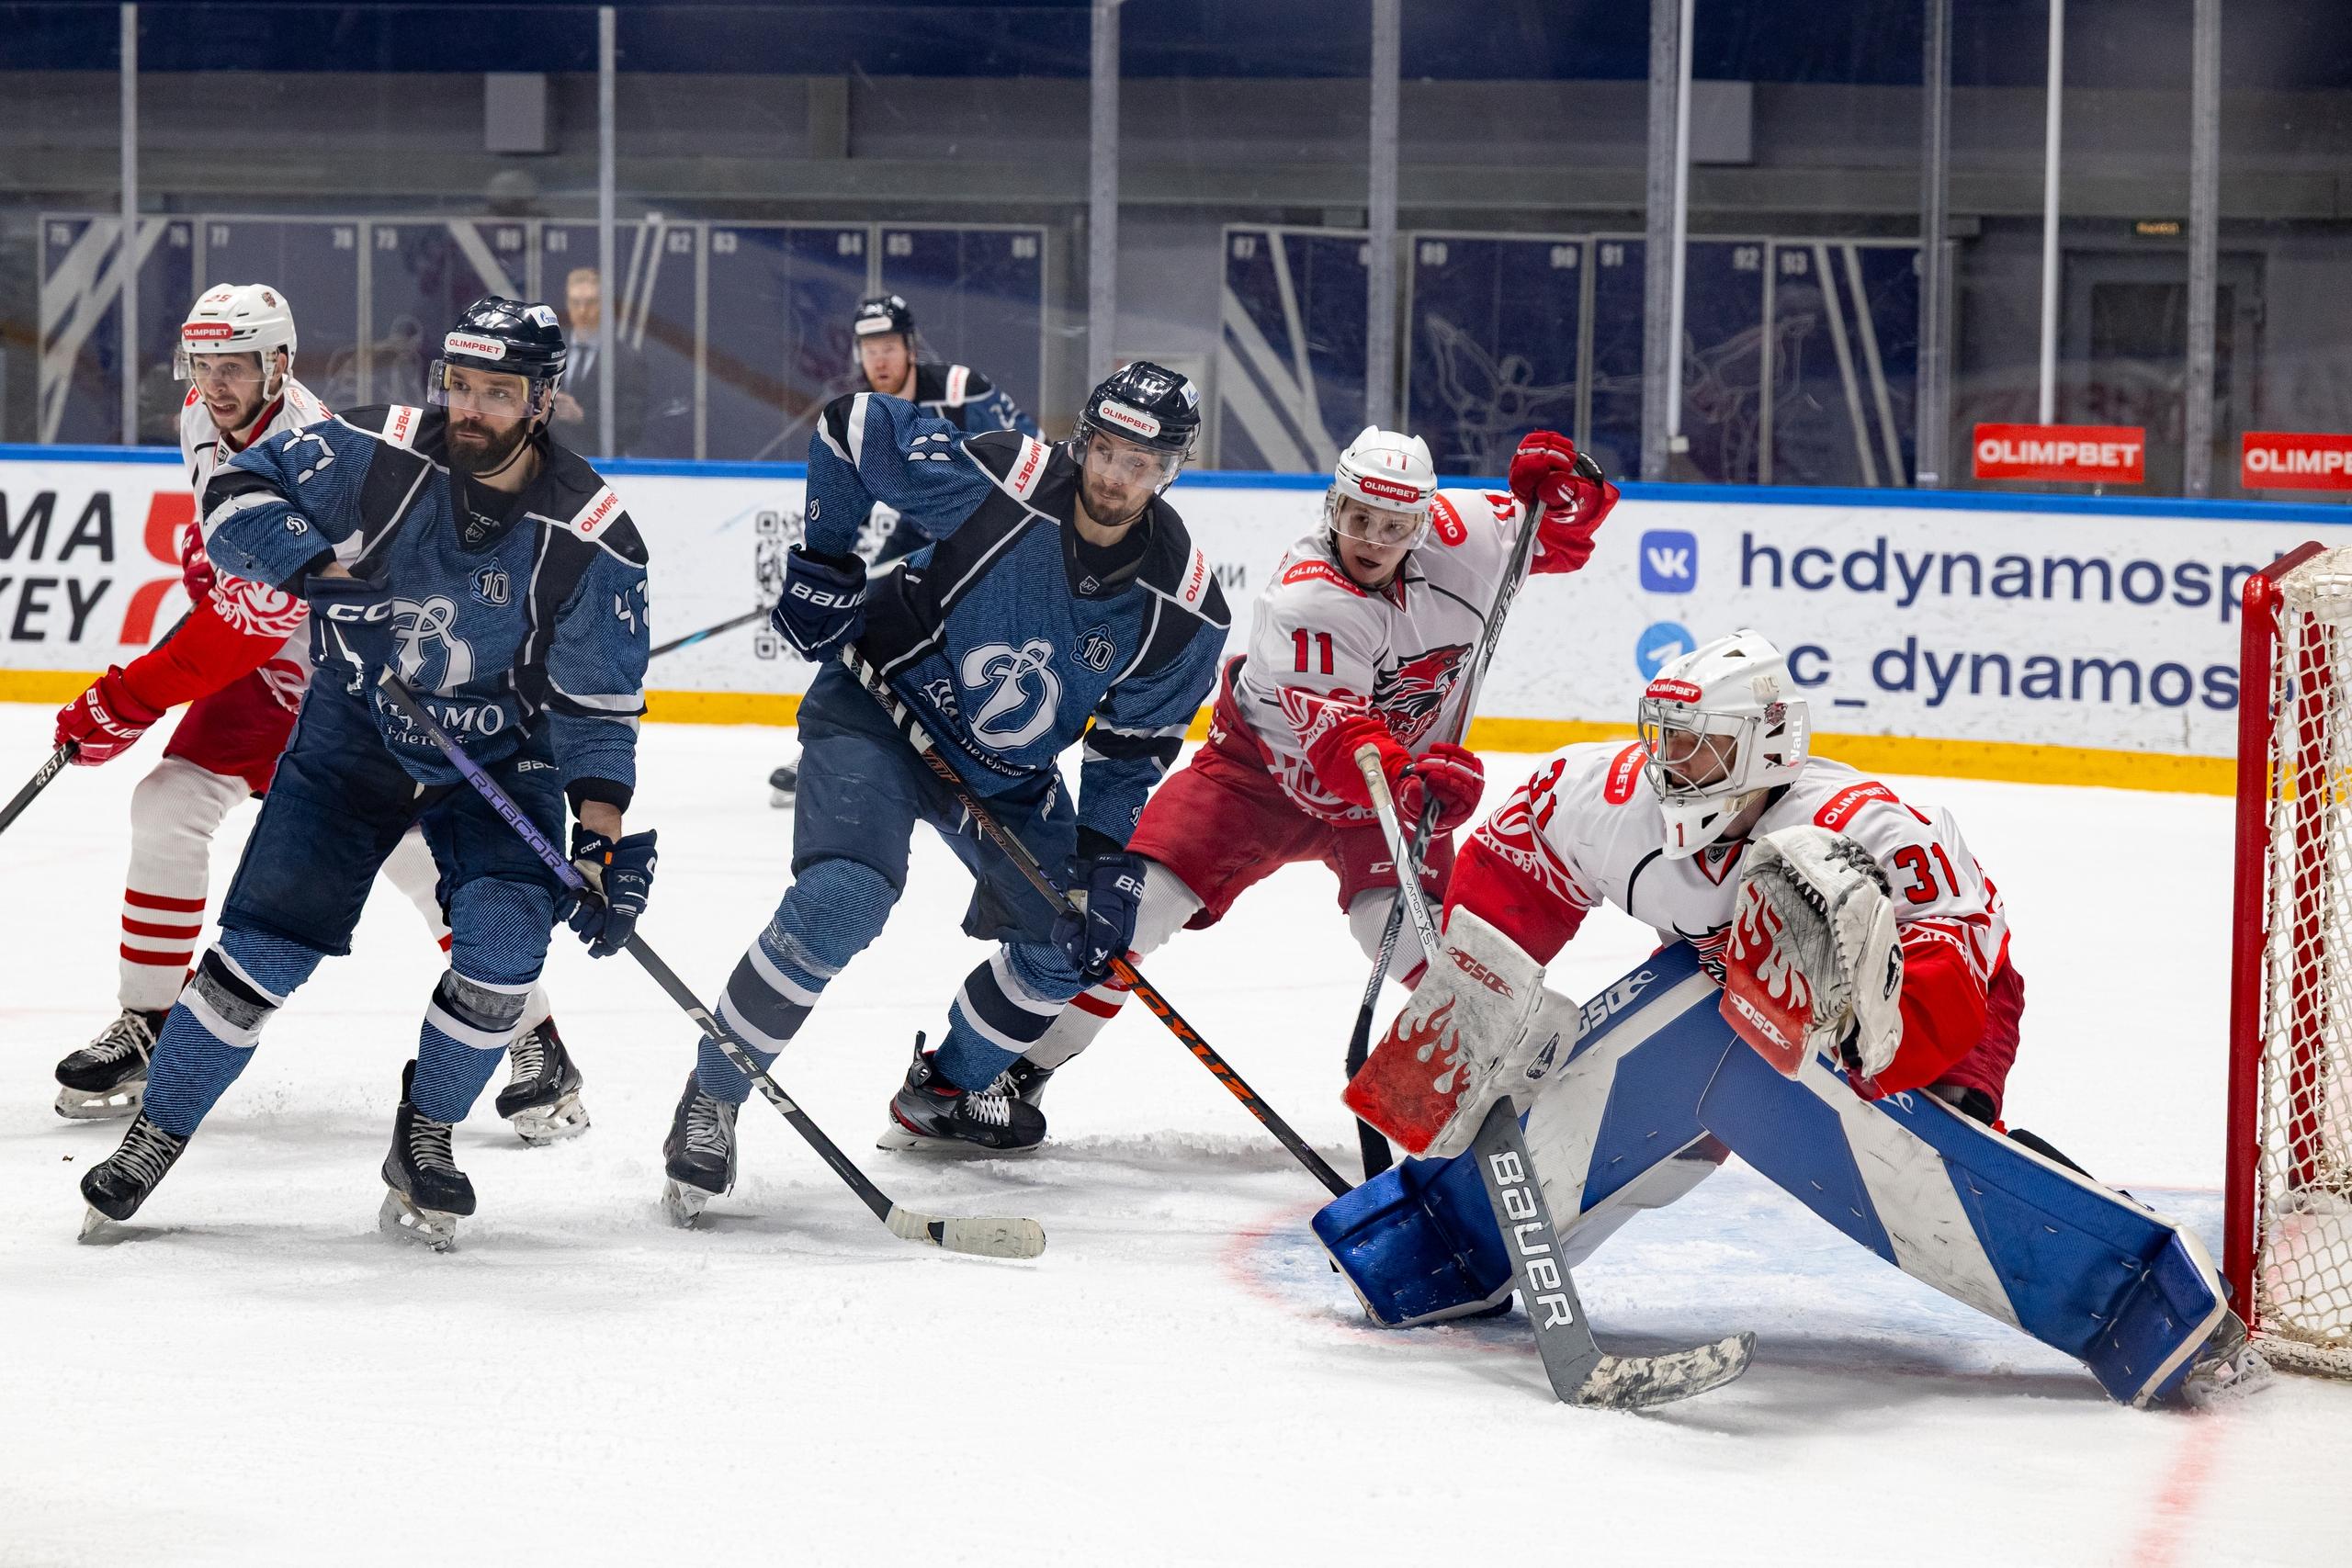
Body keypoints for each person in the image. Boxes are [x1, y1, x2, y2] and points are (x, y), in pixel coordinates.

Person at [1330, 629, 2270, 1405]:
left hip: (1938, 1000)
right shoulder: (1609, 800)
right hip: (1722, 991)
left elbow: (1961, 964)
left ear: (1767, 744)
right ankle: (1441, 1241)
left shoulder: (1868, 825)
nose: (1669, 764)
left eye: (1698, 745)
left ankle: (2141, 1291)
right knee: (1694, 1024)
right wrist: (1482, 997)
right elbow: (1519, 859)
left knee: (1939, 1148)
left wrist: (1869, 1040)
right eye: (1664, 739)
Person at [76, 297, 655, 1249]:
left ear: (543, 400)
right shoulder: (380, 448)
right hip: (356, 732)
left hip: (500, 757)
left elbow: (597, 711)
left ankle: (426, 1133)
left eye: (497, 392)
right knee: (265, 949)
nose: (470, 408)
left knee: (507, 939)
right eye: (459, 385)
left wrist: (599, 843)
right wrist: (317, 572)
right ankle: (158, 1130)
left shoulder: (595, 533)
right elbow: (238, 495)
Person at [660, 361, 1227, 1222]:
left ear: (1171, 471)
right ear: (1084, 439)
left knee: (1069, 946)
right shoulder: (1007, 478)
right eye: (1108, 451)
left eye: (1142, 464)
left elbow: (1132, 747)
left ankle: (945, 1092)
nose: (1117, 476)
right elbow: (851, 427)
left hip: (1007, 778)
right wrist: (824, 559)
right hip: (881, 710)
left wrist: (1101, 856)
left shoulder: (1184, 604)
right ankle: (714, 1094)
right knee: (843, 897)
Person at [1008, 428, 1616, 1131]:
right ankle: (1018, 1067)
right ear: (1333, 506)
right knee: (1129, 910)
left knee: (1412, 935)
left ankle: (1508, 1084)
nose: (1372, 540)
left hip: (1386, 790)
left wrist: (1572, 492)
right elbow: (1341, 745)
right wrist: (1415, 789)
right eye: (1359, 517)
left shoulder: (1468, 533)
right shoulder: (1307, 597)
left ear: (1423, 523)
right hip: (1257, 777)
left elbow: (1559, 537)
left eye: (1394, 526)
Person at [767, 294, 1044, 807]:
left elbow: (1037, 460)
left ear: (911, 348)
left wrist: (973, 538)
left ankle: (986, 760)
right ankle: (831, 749)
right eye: (869, 348)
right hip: (915, 538)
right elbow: (849, 498)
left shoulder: (962, 390)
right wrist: (832, 576)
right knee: (862, 627)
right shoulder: (867, 414)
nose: (880, 359)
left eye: (889, 346)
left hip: (991, 546)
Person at [548, 266, 647, 455]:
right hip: (552, 459)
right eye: (575, 302)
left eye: (591, 302)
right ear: (567, 304)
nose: (582, 310)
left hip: (602, 463)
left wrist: (583, 417)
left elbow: (632, 428)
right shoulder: (550, 351)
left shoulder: (627, 361)